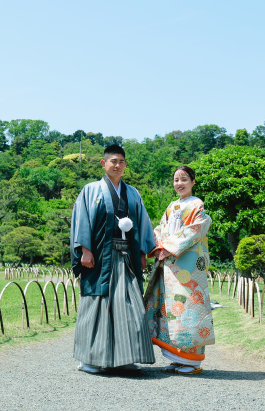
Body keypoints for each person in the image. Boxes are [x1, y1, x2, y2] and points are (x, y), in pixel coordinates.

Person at [70, 144, 156, 373]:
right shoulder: (91, 190)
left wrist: (142, 253)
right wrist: (84, 250)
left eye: (121, 162)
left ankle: (125, 357)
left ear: (125, 165)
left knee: (130, 305)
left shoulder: (133, 193)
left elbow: (142, 223)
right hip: (99, 258)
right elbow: (81, 220)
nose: (117, 165)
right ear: (104, 163)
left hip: (127, 257)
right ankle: (89, 359)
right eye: (113, 161)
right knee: (96, 304)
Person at [144, 165, 214, 375]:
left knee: (189, 306)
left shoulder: (197, 205)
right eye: (176, 180)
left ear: (193, 182)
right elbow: (160, 228)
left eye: (184, 179)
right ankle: (176, 357)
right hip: (169, 263)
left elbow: (195, 230)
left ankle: (193, 362)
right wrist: (158, 245)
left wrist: (170, 247)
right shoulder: (171, 206)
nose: (179, 183)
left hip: (187, 265)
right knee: (171, 307)